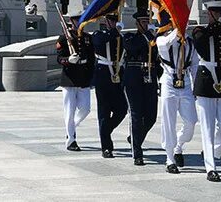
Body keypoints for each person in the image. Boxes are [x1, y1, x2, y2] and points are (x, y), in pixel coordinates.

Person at [192, 1, 221, 182]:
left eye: (219, 13)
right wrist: (212, 26)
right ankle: (211, 167)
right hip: (206, 80)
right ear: (209, 14)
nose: (218, 16)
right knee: (207, 127)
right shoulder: (200, 30)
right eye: (214, 13)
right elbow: (200, 42)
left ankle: (213, 152)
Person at [156, 28, 198, 174]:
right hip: (169, 80)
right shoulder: (163, 38)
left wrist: (196, 87)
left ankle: (178, 145)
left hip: (185, 82)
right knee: (168, 121)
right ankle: (169, 159)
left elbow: (195, 65)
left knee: (191, 121)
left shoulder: (190, 42)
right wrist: (176, 32)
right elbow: (164, 45)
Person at [122, 10, 161, 166]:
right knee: (136, 115)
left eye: (147, 21)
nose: (145, 24)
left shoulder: (154, 39)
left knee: (151, 116)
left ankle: (135, 138)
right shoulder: (130, 37)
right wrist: (148, 36)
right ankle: (137, 152)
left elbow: (158, 57)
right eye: (143, 22)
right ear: (137, 23)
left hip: (150, 77)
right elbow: (132, 47)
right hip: (134, 78)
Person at [56, 9, 94, 152]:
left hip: (83, 78)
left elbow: (91, 59)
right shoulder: (63, 38)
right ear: (72, 21)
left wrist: (90, 78)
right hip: (69, 78)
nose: (80, 22)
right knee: (69, 111)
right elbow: (59, 59)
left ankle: (70, 128)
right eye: (77, 20)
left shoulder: (87, 38)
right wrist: (68, 60)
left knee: (85, 109)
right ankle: (71, 140)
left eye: (82, 20)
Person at [91, 13, 128, 158]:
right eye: (111, 20)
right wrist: (114, 31)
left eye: (115, 20)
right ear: (106, 21)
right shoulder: (99, 34)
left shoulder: (121, 37)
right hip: (103, 75)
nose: (113, 22)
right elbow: (99, 41)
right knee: (104, 113)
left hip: (118, 75)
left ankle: (106, 131)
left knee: (122, 109)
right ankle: (106, 147)